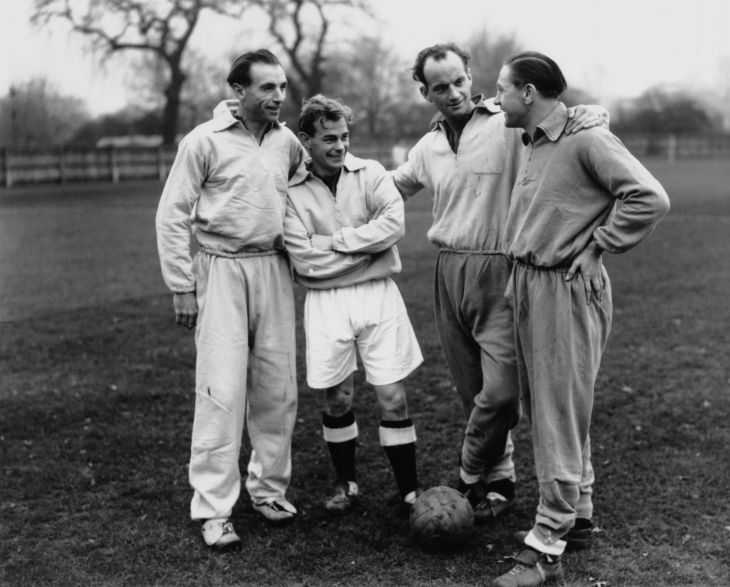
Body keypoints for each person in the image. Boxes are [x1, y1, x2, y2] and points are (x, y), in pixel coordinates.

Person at [392, 43, 608, 524]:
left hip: (503, 269)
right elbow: (393, 186)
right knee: (473, 391)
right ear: (425, 92)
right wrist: (330, 173)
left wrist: (591, 116)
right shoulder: (428, 147)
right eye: (441, 87)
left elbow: (560, 117)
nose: (454, 93)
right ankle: (501, 479)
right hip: (449, 271)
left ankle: (469, 473)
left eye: (460, 81)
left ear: (472, 78)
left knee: (502, 392)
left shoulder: (505, 125)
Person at [491, 51, 670, 587]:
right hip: (529, 283)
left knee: (555, 416)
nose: (492, 98)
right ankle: (580, 514)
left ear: (528, 92)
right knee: (560, 408)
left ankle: (546, 546)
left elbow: (649, 197)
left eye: (500, 89)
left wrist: (598, 248)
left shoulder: (587, 138)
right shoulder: (533, 136)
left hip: (565, 288)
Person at [154, 49, 306, 549]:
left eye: (282, 88)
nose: (278, 98)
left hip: (274, 269)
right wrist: (182, 285)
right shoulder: (203, 140)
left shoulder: (286, 143)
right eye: (267, 88)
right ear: (238, 91)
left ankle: (268, 490)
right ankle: (214, 509)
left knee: (277, 388)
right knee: (221, 391)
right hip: (219, 270)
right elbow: (172, 215)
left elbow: (312, 191)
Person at [283, 95, 424, 516]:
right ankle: (347, 485)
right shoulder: (290, 191)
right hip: (326, 302)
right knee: (338, 397)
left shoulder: (373, 173)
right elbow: (303, 259)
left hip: (379, 296)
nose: (340, 146)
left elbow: (393, 225)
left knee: (392, 397)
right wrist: (367, 247)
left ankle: (410, 493)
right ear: (306, 140)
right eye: (328, 138)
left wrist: (336, 243)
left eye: (344, 136)